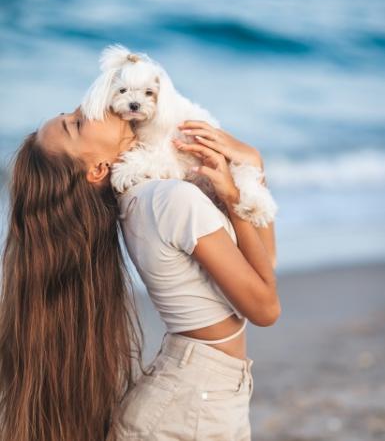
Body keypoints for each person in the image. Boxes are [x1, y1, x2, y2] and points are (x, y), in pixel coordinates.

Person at [0, 107, 280, 441]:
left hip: (197, 398)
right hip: (187, 409)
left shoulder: (146, 198)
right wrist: (234, 198)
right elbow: (265, 308)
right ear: (99, 169)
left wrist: (253, 171)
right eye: (76, 124)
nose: (88, 108)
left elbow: (262, 264)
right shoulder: (169, 200)